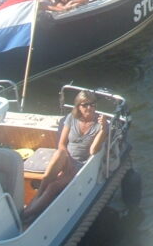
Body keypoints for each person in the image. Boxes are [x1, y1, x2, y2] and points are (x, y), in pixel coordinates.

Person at [22, 91, 107, 224]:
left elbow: (93, 150)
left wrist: (103, 130)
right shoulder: (71, 118)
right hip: (67, 158)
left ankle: (28, 213)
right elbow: (62, 144)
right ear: (78, 106)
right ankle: (37, 199)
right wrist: (67, 161)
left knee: (54, 186)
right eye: (85, 105)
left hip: (81, 164)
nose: (89, 108)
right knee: (55, 162)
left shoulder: (99, 124)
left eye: (92, 104)